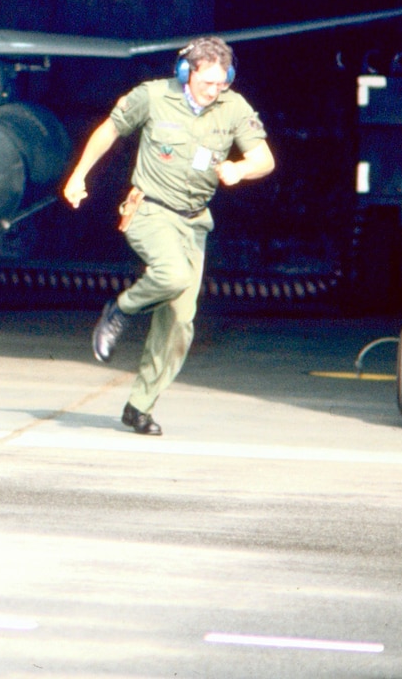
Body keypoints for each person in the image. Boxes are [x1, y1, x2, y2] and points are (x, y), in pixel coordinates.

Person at [60, 36, 272, 435]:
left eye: (221, 81)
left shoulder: (233, 106)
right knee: (172, 275)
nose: (215, 89)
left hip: (194, 221)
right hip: (151, 209)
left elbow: (265, 159)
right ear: (185, 73)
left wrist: (240, 169)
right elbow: (109, 130)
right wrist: (78, 176)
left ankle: (139, 406)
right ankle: (119, 311)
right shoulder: (153, 97)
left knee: (180, 321)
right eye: (207, 81)